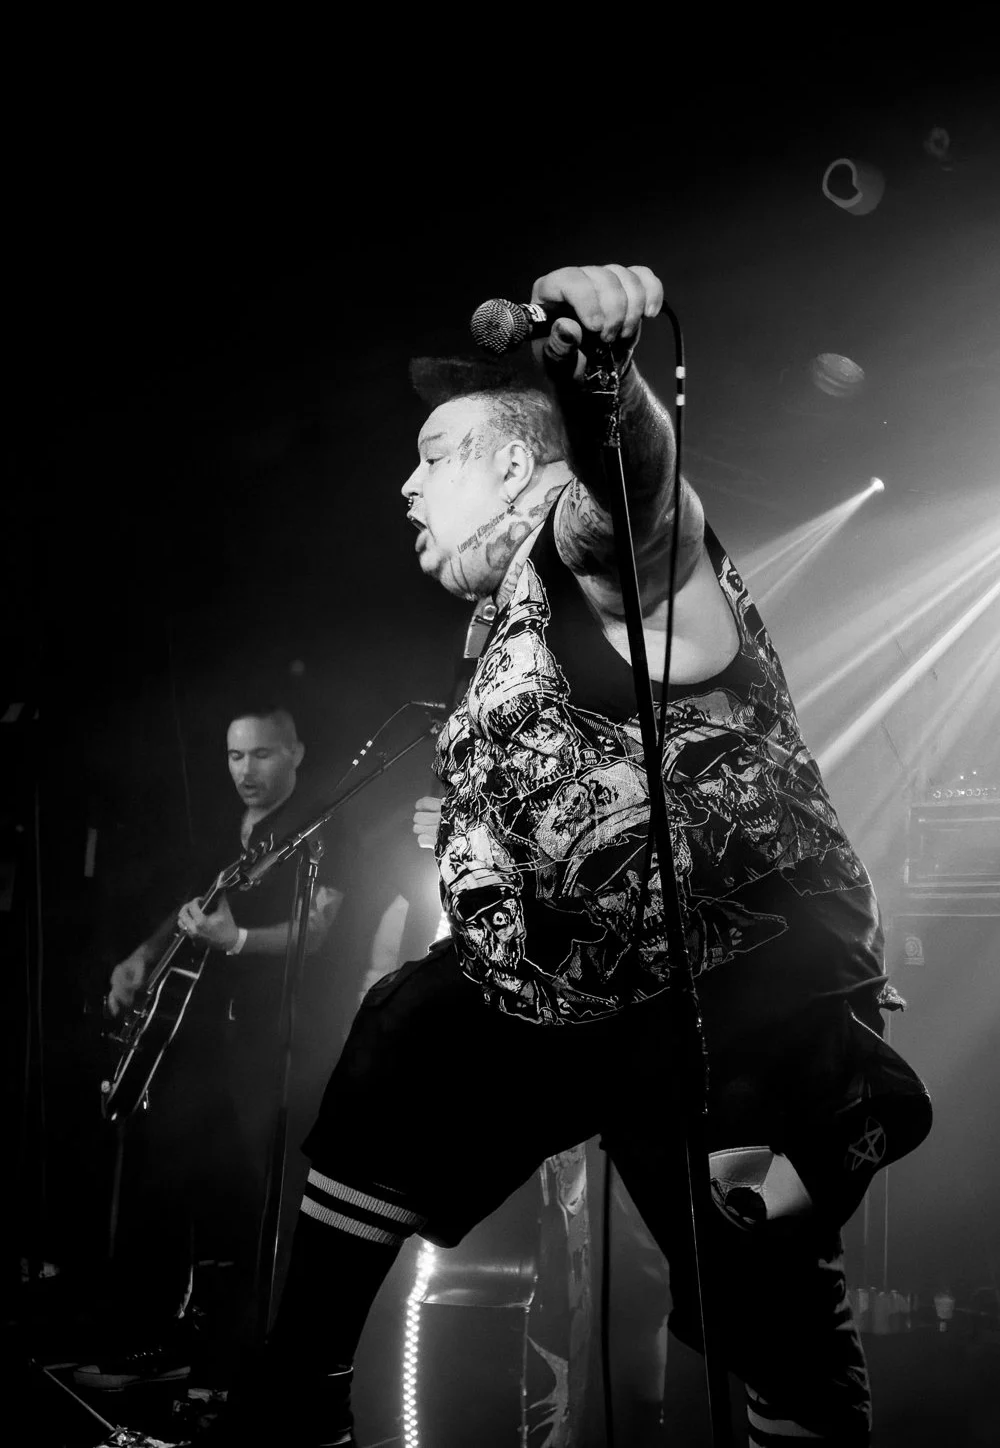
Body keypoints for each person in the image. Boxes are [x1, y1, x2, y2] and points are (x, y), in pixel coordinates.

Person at [215, 264, 929, 1448]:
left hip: (724, 986)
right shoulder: (503, 617)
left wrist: (602, 390)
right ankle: (292, 1406)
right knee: (405, 1034)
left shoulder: (583, 551)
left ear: (513, 466)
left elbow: (637, 510)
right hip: (560, 986)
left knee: (767, 1311)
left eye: (433, 455)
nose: (406, 484)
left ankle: (842, 1124)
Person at [75, 704, 347, 1391]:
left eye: (262, 754)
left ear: (296, 753)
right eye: (234, 755)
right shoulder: (227, 833)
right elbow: (188, 910)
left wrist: (239, 941)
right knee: (169, 1179)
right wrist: (140, 958)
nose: (245, 770)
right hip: (195, 1039)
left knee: (253, 1202)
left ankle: (243, 1365)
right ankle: (163, 1340)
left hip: (269, 1044)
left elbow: (318, 933)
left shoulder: (319, 831)